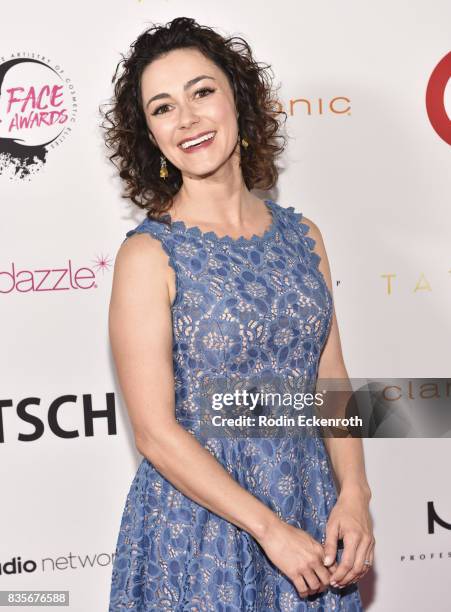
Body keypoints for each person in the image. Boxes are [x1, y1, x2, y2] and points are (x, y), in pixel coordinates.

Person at [102, 16, 374, 611]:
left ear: (236, 98)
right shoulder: (150, 256)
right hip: (201, 529)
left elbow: (330, 381)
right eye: (163, 107)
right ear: (149, 134)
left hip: (309, 507)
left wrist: (354, 493)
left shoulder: (304, 236)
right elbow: (154, 431)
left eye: (202, 92)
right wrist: (268, 529)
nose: (188, 119)